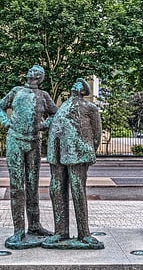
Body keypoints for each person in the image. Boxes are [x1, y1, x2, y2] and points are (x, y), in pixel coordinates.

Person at [0, 65, 57, 249]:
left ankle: (35, 226)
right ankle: (19, 230)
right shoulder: (16, 91)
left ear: (38, 76)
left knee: (32, 186)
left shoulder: (43, 96)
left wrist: (44, 125)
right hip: (15, 140)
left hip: (33, 143)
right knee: (16, 187)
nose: (30, 71)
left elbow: (56, 114)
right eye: (30, 70)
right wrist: (6, 123)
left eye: (34, 71)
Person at [44, 78, 104, 249]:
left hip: (78, 154)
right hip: (57, 155)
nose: (74, 85)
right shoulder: (62, 106)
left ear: (82, 91)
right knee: (56, 190)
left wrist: (88, 151)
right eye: (74, 83)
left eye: (78, 84)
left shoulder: (89, 107)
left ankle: (84, 234)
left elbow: (97, 133)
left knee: (78, 191)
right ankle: (60, 232)